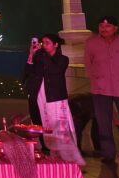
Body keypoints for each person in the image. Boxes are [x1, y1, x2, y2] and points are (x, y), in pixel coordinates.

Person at [84, 16, 119, 164]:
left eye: (107, 26)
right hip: (100, 89)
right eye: (101, 25)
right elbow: (88, 65)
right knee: (103, 123)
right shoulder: (91, 43)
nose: (104, 29)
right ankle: (108, 154)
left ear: (115, 28)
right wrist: (98, 78)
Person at [23, 34, 83, 165]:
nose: (44, 45)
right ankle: (47, 152)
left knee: (58, 126)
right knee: (42, 124)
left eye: (47, 43)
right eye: (42, 42)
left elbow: (54, 70)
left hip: (55, 97)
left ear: (56, 45)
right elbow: (27, 73)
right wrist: (31, 55)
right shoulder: (39, 58)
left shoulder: (62, 59)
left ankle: (66, 156)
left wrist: (43, 56)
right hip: (39, 96)